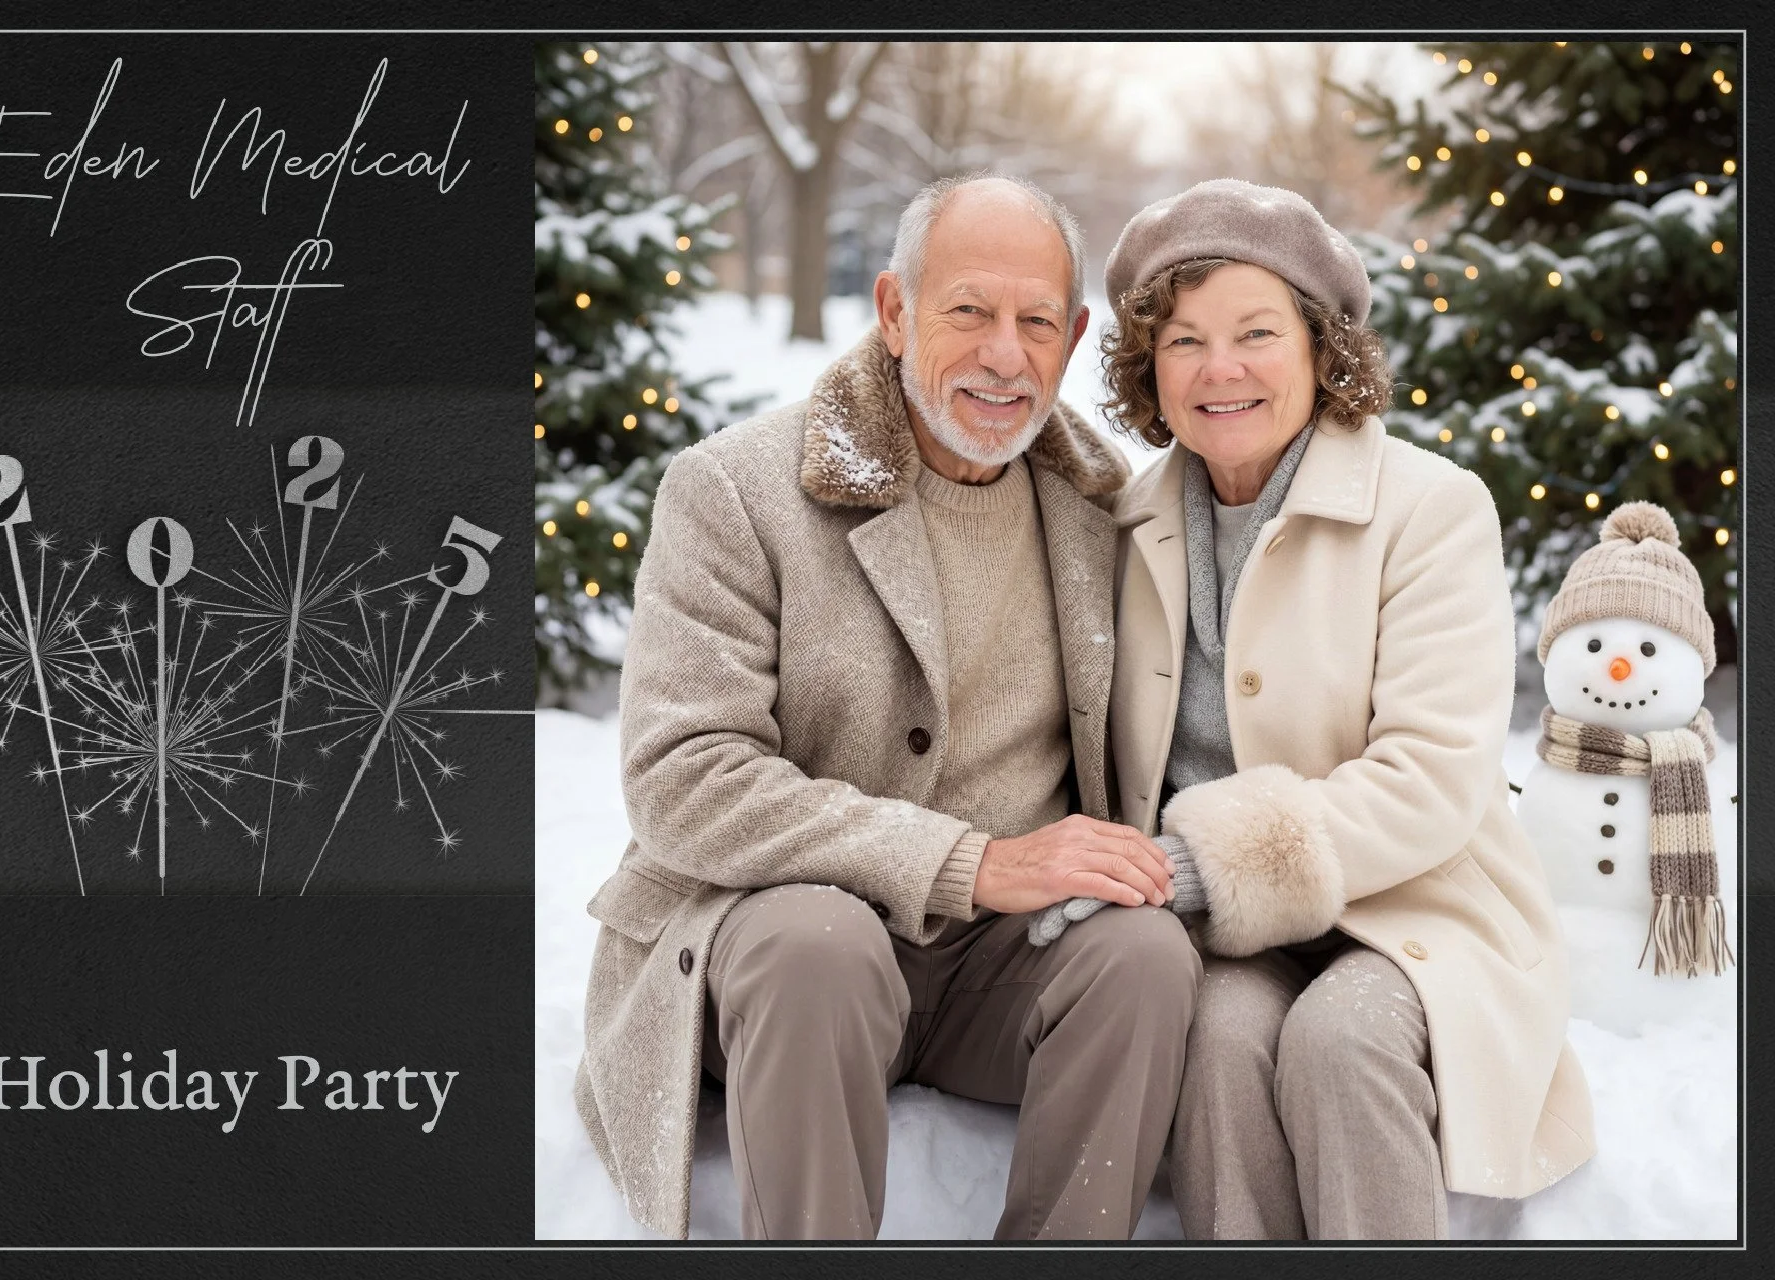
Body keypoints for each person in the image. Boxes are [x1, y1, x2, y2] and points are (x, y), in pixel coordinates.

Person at [572, 173, 1203, 1241]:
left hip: (998, 968)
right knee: (820, 941)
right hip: (780, 954)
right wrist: (969, 861)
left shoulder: (1110, 509)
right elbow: (684, 777)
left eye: (1036, 320)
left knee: (1144, 959)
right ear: (895, 309)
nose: (1006, 353)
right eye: (968, 310)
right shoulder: (736, 489)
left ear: (1074, 333)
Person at [1031, 178, 1595, 1238]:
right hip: (1228, 940)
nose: (1221, 368)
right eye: (1185, 340)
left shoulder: (1431, 508)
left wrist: (1209, 862)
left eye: (1256, 332)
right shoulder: (1119, 518)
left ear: (1322, 347)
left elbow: (1432, 774)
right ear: (1149, 365)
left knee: (1341, 1038)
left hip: (1415, 912)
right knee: (1217, 1032)